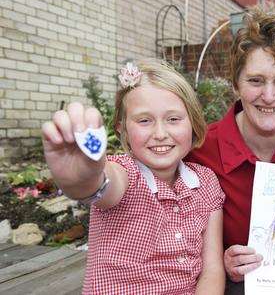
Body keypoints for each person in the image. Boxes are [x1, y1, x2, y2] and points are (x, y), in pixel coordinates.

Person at [42, 60, 225, 294]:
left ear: (193, 123)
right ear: (122, 129)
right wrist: (82, 175)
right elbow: (98, 183)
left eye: (173, 119)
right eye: (144, 120)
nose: (160, 134)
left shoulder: (206, 182)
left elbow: (212, 269)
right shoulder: (124, 172)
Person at [187, 6, 275, 292]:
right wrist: (219, 259)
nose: (268, 96)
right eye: (255, 80)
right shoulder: (200, 150)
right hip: (241, 284)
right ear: (236, 84)